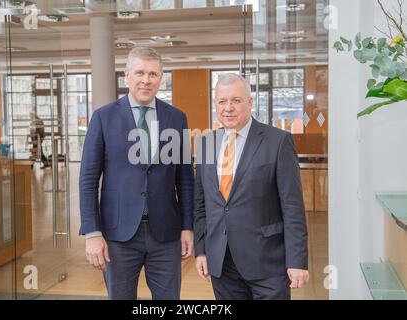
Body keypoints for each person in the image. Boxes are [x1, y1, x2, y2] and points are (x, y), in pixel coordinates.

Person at [79, 47, 194, 300]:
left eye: (153, 74)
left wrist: (188, 227)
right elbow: (88, 179)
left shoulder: (176, 118)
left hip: (166, 235)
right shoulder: (103, 118)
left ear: (161, 78)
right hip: (117, 237)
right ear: (126, 75)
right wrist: (92, 232)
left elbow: (185, 179)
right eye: (140, 72)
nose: (146, 80)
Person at [193, 73, 309, 300]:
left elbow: (292, 206)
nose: (228, 108)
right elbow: (201, 204)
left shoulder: (278, 141)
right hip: (221, 262)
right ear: (215, 104)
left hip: (267, 263)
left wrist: (297, 261)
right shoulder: (206, 143)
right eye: (222, 101)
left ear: (250, 102)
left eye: (236, 100)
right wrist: (202, 250)